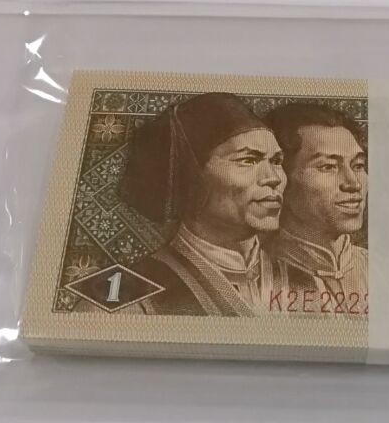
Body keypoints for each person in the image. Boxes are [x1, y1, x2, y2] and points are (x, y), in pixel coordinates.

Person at [106, 92, 287, 316]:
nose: (274, 177)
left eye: (277, 161)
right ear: (191, 175)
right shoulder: (126, 296)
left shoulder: (310, 278)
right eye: (248, 160)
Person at [263, 103, 368, 313]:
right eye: (328, 167)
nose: (353, 183)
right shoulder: (256, 279)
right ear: (281, 178)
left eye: (358, 166)